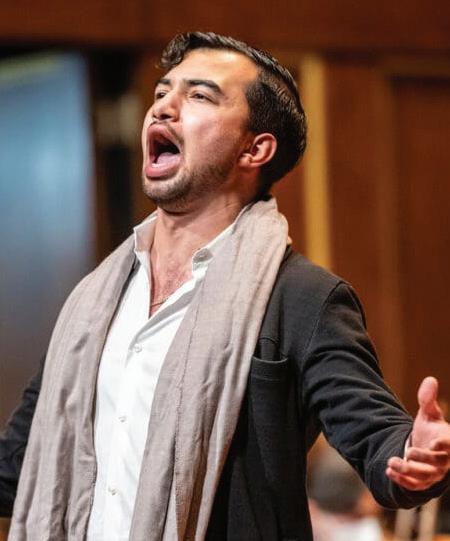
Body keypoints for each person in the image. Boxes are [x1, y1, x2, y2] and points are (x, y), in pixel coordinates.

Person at [1, 31, 449, 541]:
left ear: (254, 149)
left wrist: (414, 455)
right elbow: (21, 461)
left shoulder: (301, 298)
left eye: (199, 95)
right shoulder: (95, 300)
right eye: (162, 92)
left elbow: (374, 435)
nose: (163, 107)